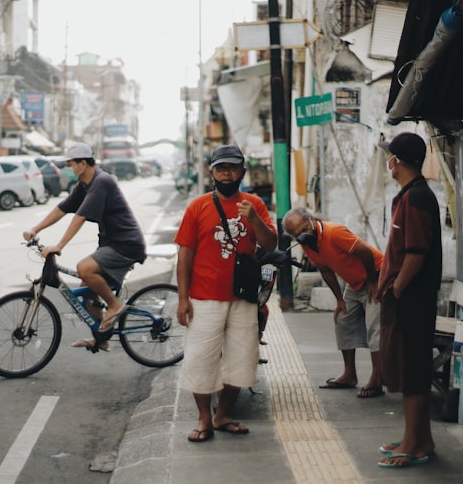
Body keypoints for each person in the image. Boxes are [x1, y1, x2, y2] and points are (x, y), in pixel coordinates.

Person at [175, 144, 277, 442]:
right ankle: (204, 418)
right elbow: (185, 254)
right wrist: (183, 299)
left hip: (242, 297)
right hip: (204, 297)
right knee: (200, 359)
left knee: (243, 358)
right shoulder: (197, 206)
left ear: (242, 172)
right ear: (212, 173)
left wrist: (255, 220)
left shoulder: (255, 203)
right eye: (221, 168)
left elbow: (270, 244)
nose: (227, 172)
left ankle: (223, 415)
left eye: (232, 167)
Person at [23, 143, 146, 349]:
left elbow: (80, 216)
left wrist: (59, 245)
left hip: (126, 244)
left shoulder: (102, 182)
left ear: (82, 163)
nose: (68, 169)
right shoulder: (84, 185)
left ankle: (115, 305)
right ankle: (101, 339)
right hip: (110, 244)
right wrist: (36, 229)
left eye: (70, 164)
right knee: (87, 293)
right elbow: (62, 209)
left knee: (84, 268)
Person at [374, 132, 442, 468]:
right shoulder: (409, 195)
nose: (388, 161)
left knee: (413, 373)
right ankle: (417, 437)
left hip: (412, 299)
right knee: (408, 370)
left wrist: (398, 287)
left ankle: (415, 445)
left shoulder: (417, 198)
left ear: (397, 162)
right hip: (406, 297)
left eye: (390, 156)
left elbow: (416, 251)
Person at [283, 207, 385, 398]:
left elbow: (365, 252)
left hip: (375, 276)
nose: (303, 235)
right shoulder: (307, 244)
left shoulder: (334, 232)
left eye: (304, 228)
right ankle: (349, 374)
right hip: (354, 283)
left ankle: (377, 378)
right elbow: (325, 270)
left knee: (374, 327)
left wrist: (372, 281)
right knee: (343, 321)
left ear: (312, 220)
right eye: (297, 235)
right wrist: (339, 300)